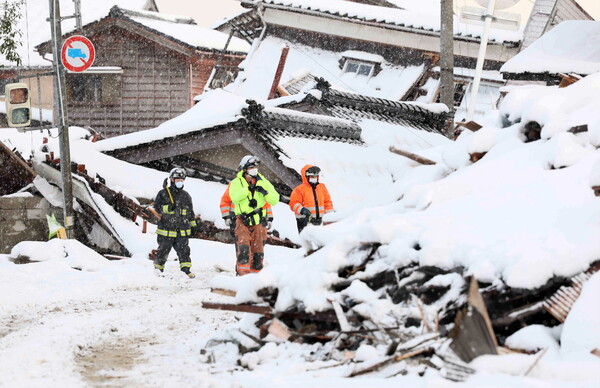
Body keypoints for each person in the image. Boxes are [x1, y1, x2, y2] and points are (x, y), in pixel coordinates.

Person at [229, 155, 279, 276]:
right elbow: (234, 198)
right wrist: (248, 188)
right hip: (243, 220)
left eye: (256, 167)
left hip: (259, 221)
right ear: (245, 169)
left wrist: (264, 192)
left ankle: (255, 277)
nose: (255, 169)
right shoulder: (236, 183)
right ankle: (242, 276)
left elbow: (275, 199)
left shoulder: (264, 182)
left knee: (258, 253)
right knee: (244, 249)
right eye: (251, 167)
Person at [153, 167, 198, 278]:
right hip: (166, 231)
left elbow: (190, 213)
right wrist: (168, 208)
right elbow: (157, 208)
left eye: (182, 180)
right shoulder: (163, 193)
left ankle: (186, 271)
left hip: (181, 231)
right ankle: (158, 272)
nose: (180, 182)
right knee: (162, 252)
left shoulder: (186, 196)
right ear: (172, 180)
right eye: (178, 180)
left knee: (184, 251)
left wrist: (193, 226)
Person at [289, 165, 334, 233]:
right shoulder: (299, 190)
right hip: (305, 221)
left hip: (321, 221)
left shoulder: (322, 187)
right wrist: (302, 210)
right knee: (308, 242)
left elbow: (327, 202)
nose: (314, 178)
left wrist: (330, 216)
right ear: (306, 176)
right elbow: (293, 203)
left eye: (316, 176)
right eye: (312, 176)